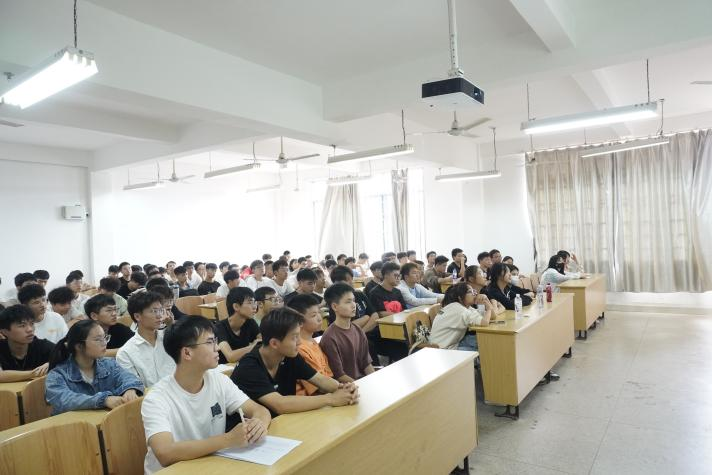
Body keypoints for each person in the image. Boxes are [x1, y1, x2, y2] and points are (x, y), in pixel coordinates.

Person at [141, 317, 271, 474]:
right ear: (187, 353)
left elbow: (259, 410)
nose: (217, 347)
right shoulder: (156, 398)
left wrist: (258, 424)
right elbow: (165, 453)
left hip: (210, 466)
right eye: (210, 342)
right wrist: (229, 439)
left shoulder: (219, 380)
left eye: (215, 341)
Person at [231, 307, 358, 417]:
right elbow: (280, 405)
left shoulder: (290, 356)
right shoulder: (248, 368)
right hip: (249, 430)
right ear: (274, 343)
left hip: (282, 422)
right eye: (294, 337)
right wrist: (331, 399)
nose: (299, 342)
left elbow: (320, 380)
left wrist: (345, 389)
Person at [45, 320, 143, 415]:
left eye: (105, 337)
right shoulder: (57, 375)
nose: (104, 343)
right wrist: (104, 400)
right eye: (98, 340)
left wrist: (130, 389)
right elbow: (65, 400)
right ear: (79, 346)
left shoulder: (109, 364)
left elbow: (128, 377)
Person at [116, 291, 176, 388]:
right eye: (154, 311)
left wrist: (172, 328)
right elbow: (135, 387)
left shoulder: (170, 338)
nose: (159, 315)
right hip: (151, 396)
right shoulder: (126, 353)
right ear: (137, 316)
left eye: (161, 310)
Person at [321, 283, 375, 382]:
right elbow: (339, 376)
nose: (354, 305)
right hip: (348, 386)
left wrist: (374, 381)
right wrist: (361, 386)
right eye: (348, 302)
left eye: (354, 300)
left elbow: (366, 364)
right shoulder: (329, 338)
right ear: (335, 306)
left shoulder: (358, 330)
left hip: (363, 381)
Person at [287, 294, 334, 395]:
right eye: (313, 315)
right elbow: (319, 388)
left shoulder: (312, 341)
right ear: (299, 320)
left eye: (319, 313)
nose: (320, 318)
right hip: (311, 399)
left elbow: (328, 375)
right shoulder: (299, 348)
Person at [429, 283, 492, 351]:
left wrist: (485, 299)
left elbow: (491, 316)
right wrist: (489, 309)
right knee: (484, 346)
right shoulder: (458, 309)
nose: (474, 294)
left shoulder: (465, 307)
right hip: (443, 350)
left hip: (452, 343)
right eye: (470, 292)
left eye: (473, 291)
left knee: (483, 340)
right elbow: (485, 322)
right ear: (460, 297)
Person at [0, 305, 54, 382]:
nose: (30, 329)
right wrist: (34, 373)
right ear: (5, 331)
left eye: (32, 324)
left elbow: (65, 355)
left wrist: (51, 363)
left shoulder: (42, 345)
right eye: (22, 325)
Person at [214, 287, 261, 364]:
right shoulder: (220, 327)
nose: (255, 307)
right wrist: (253, 346)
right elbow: (230, 356)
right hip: (224, 368)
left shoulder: (250, 322)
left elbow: (262, 342)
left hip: (242, 365)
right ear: (236, 306)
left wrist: (258, 344)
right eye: (250, 303)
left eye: (254, 302)